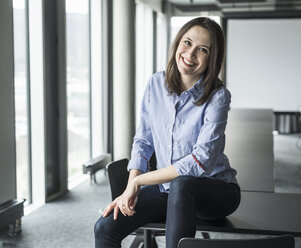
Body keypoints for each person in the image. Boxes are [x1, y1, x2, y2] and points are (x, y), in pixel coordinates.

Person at [94, 17, 240, 248]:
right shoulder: (155, 83)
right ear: (177, 43)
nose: (190, 54)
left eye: (202, 50)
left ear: (212, 59)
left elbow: (200, 162)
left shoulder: (218, 96)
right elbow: (143, 141)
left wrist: (140, 181)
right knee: (105, 228)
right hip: (168, 190)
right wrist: (130, 187)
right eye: (187, 42)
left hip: (216, 192)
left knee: (183, 183)